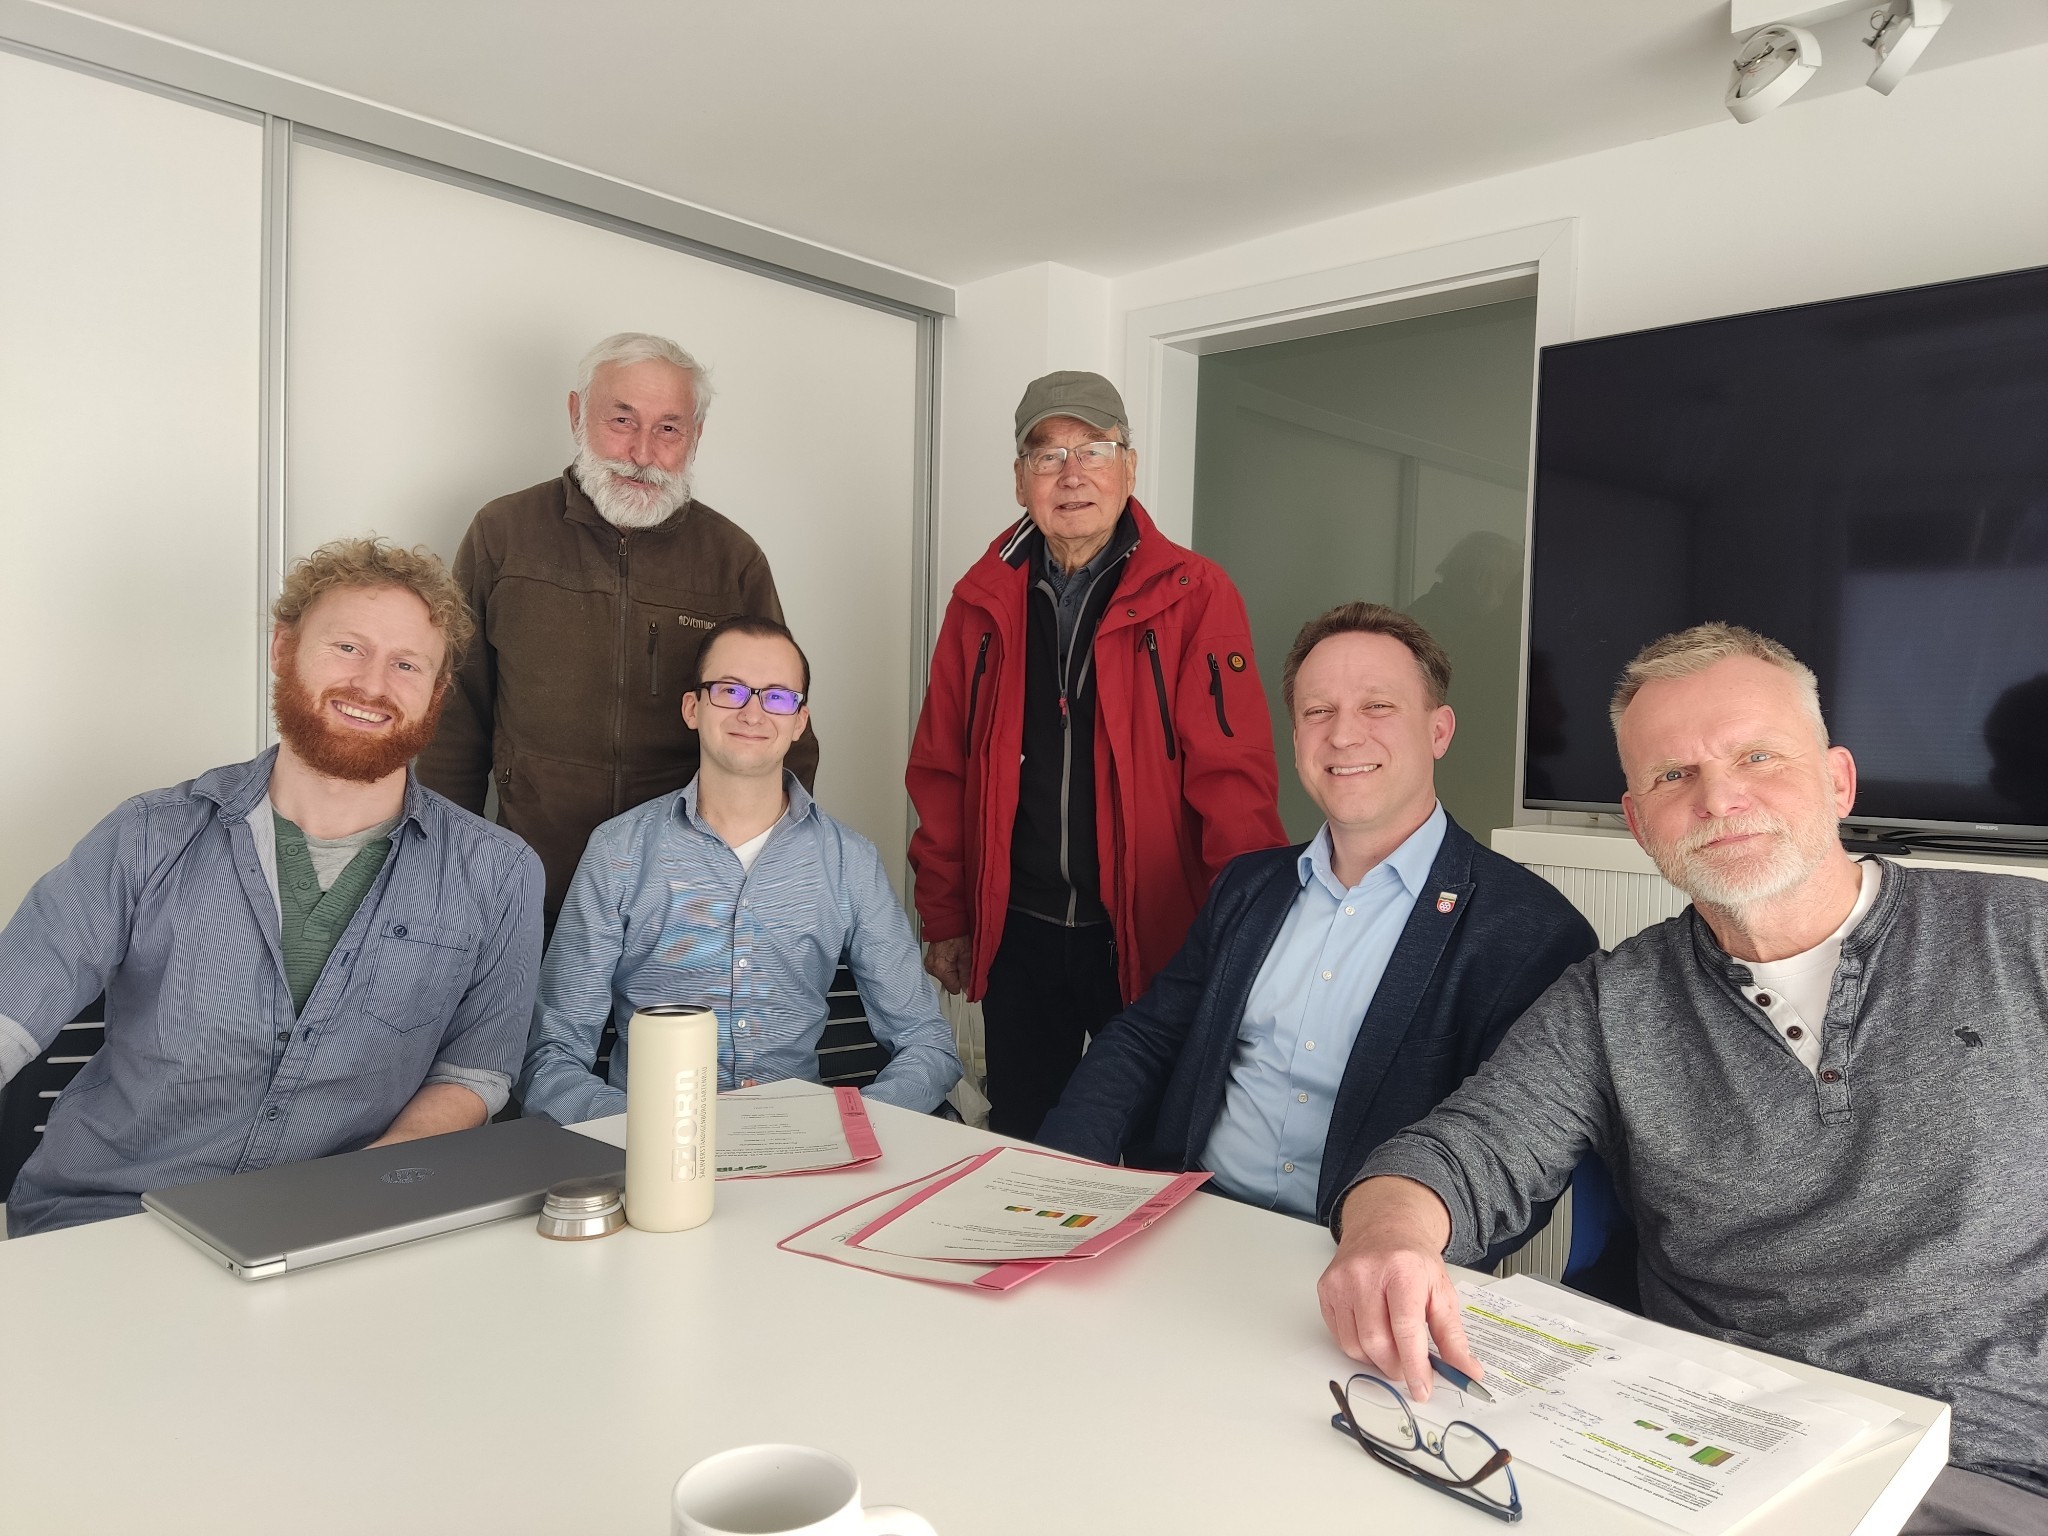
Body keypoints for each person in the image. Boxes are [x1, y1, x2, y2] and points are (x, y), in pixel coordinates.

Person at [1317, 623, 2048, 1536]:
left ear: (1837, 781)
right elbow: (1467, 1149)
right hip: (1709, 1460)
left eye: (1758, 756)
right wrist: (1388, 1233)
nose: (1720, 799)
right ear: (1637, 822)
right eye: (1673, 776)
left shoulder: (2022, 935)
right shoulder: (1610, 1000)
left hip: (1983, 1466)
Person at [0, 539, 543, 1237]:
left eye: (407, 664)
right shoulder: (146, 837)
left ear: (436, 694)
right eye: (347, 648)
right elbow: (11, 1011)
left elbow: (476, 1073)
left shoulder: (500, 873)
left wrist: (374, 1183)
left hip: (339, 1229)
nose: (372, 684)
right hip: (114, 1220)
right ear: (283, 649)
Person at [1036, 604, 1596, 1225]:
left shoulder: (1532, 932)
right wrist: (1062, 1170)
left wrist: (1393, 1244)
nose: (1344, 735)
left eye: (1377, 706)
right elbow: (1149, 1037)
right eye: (1317, 711)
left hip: (1360, 1249)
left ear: (1439, 731)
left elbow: (1511, 1159)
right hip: (1188, 1219)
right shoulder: (1247, 886)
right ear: (1296, 738)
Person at [907, 370, 1286, 1139]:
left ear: (1129, 467)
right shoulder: (979, 600)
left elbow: (1233, 781)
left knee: (1154, 1146)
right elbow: (943, 769)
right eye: (1047, 456)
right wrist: (945, 913)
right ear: (1021, 480)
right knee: (1024, 1144)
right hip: (1019, 931)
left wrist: (1246, 934)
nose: (1071, 474)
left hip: (1151, 933)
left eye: (1094, 450)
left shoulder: (1196, 594)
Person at [417, 331, 817, 926]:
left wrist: (764, 876)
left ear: (696, 436)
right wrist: (447, 868)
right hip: (529, 880)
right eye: (622, 420)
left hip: (685, 896)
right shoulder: (502, 534)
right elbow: (454, 716)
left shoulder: (732, 560)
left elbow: (784, 729)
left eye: (668, 428)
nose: (642, 453)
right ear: (577, 414)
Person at [519, 617, 961, 1122]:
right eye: (730, 690)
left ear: (799, 721)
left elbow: (928, 1045)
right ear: (693, 708)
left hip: (803, 1147)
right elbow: (549, 1057)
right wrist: (646, 1134)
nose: (753, 712)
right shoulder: (618, 851)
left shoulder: (849, 861)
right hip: (648, 1148)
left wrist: (847, 1128)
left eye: (777, 697)